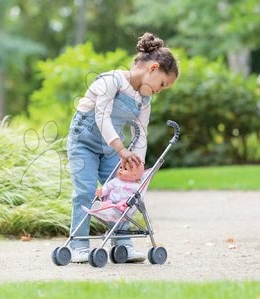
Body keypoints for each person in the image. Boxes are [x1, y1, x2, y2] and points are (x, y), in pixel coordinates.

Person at [66, 32, 179, 263]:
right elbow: (102, 117)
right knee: (85, 192)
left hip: (111, 149)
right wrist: (121, 150)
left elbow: (141, 134)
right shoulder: (111, 81)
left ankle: (123, 246)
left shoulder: (143, 100)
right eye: (162, 84)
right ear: (153, 68)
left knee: (122, 193)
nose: (159, 90)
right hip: (83, 144)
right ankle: (79, 246)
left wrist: (136, 164)